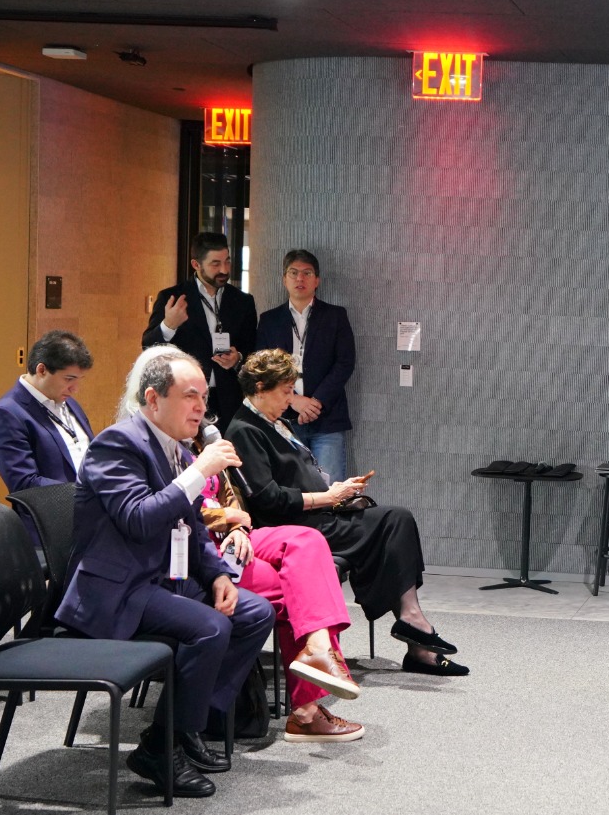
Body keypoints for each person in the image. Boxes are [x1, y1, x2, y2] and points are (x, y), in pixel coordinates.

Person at [56, 346, 275, 798]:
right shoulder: (117, 444)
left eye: (204, 397)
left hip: (161, 577)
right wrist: (198, 473)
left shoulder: (174, 448)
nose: (200, 407)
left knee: (255, 613)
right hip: (118, 588)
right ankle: (164, 745)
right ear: (153, 399)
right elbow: (138, 519)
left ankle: (180, 727)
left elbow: (192, 527)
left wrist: (217, 575)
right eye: (189, 396)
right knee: (211, 627)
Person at [226, 349, 467, 677]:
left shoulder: (275, 423)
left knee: (395, 520)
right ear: (259, 388)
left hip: (318, 514)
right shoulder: (245, 430)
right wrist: (326, 497)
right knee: (393, 523)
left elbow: (299, 474)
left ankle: (414, 627)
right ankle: (415, 633)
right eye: (285, 391)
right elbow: (268, 499)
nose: (290, 399)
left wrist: (337, 490)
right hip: (294, 527)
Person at [194, 449, 366, 742]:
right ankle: (306, 713)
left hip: (235, 537)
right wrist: (224, 517)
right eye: (191, 401)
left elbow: (230, 494)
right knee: (298, 587)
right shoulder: (156, 448)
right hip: (201, 548)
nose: (198, 422)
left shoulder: (202, 441)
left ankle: (319, 646)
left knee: (307, 540)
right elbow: (167, 507)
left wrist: (237, 526)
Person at [0, 330, 95, 543]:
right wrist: (86, 494)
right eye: (69, 379)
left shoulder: (68, 402)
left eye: (79, 380)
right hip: (49, 526)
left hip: (89, 515)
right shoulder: (6, 414)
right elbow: (25, 483)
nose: (75, 389)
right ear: (41, 370)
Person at [256, 249, 356, 478]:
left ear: (317, 280)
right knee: (290, 486)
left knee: (331, 487)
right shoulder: (269, 320)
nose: (300, 278)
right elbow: (262, 368)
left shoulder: (335, 316)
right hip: (283, 420)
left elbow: (345, 363)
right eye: (293, 273)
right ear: (284, 279)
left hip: (327, 419)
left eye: (307, 273)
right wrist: (293, 400)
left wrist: (315, 402)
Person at [142, 232, 258, 429]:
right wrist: (169, 325)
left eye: (227, 261)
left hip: (229, 401)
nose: (224, 269)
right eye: (215, 264)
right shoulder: (173, 298)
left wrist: (237, 358)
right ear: (196, 265)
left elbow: (252, 348)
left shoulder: (243, 301)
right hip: (185, 397)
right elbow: (148, 347)